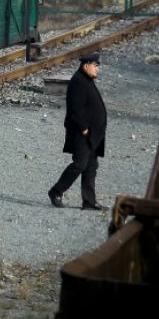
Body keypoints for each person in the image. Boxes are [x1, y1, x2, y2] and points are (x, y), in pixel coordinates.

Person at [48, 52, 108, 210]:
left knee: (91, 166)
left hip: (92, 134)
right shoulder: (78, 82)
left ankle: (89, 201)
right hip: (82, 133)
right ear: (86, 65)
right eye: (95, 66)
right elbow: (76, 109)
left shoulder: (86, 80)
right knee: (80, 164)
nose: (97, 69)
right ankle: (56, 191)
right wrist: (84, 129)